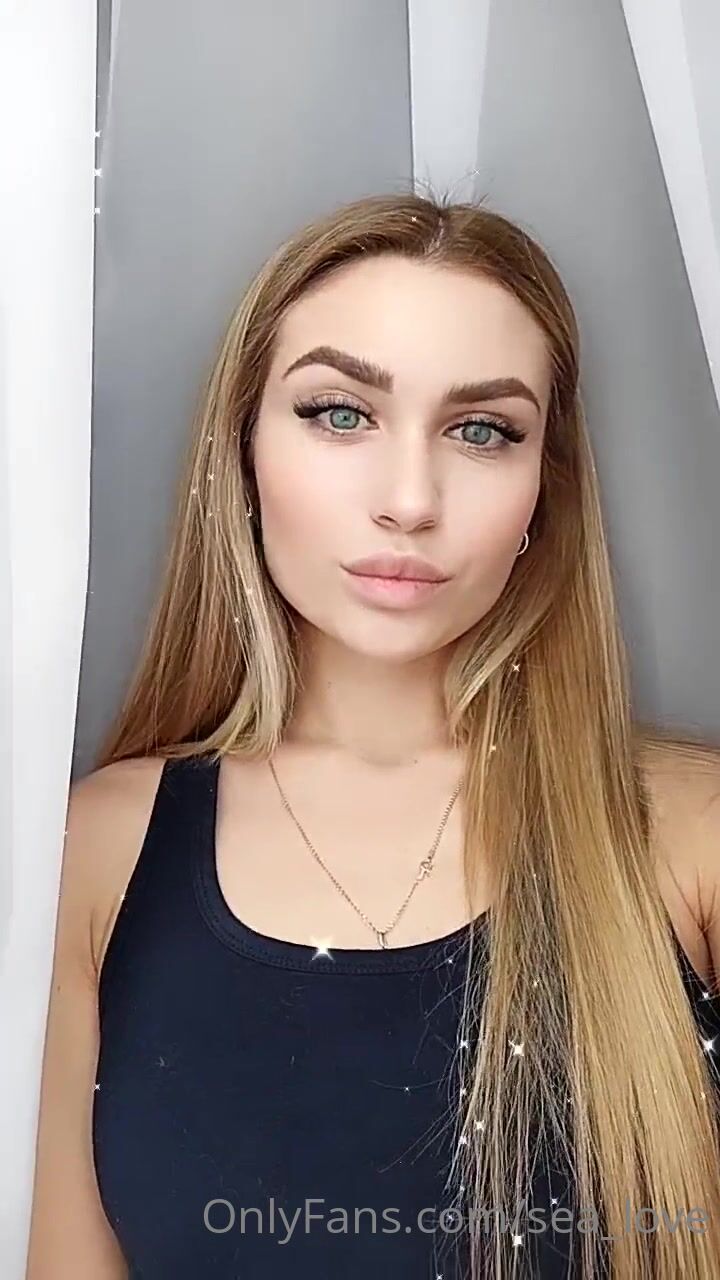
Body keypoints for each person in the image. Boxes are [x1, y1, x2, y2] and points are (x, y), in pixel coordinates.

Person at [26, 190, 720, 1280]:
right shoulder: (93, 855)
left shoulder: (690, 837)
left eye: (482, 430)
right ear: (242, 452)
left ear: (543, 491)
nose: (409, 499)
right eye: (340, 413)